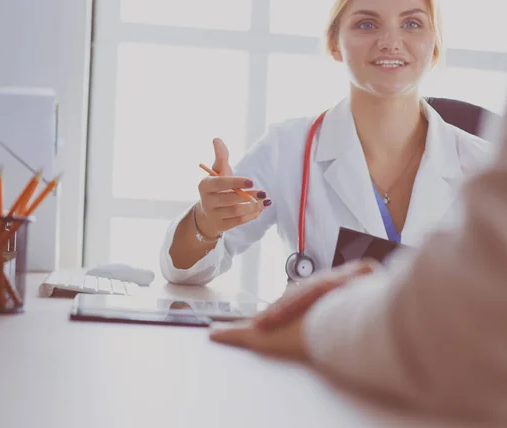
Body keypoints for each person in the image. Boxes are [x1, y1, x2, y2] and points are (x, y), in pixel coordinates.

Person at [159, 0, 493, 287]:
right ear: (335, 43)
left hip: (440, 361)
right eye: (366, 23)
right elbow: (185, 273)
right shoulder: (286, 148)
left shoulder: (485, 167)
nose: (391, 41)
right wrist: (206, 222)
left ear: (434, 46)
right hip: (314, 359)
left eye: (411, 23)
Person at [208, 114, 507, 423]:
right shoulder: (288, 145)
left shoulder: (479, 158)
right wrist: (205, 224)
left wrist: (317, 316)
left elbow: (475, 319)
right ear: (337, 59)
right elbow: (196, 263)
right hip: (318, 396)